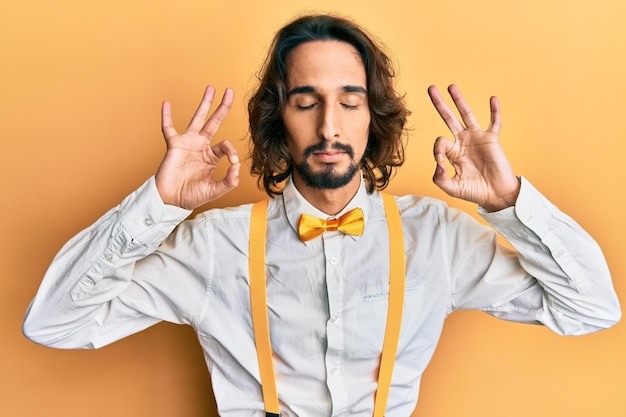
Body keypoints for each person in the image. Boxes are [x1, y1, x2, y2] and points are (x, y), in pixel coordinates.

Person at [23, 13, 620, 416]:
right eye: (306, 102)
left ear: (372, 116)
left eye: (349, 102)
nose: (329, 127)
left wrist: (510, 202)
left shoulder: (437, 239)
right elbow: (53, 323)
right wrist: (153, 207)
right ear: (278, 117)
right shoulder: (213, 248)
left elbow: (591, 308)